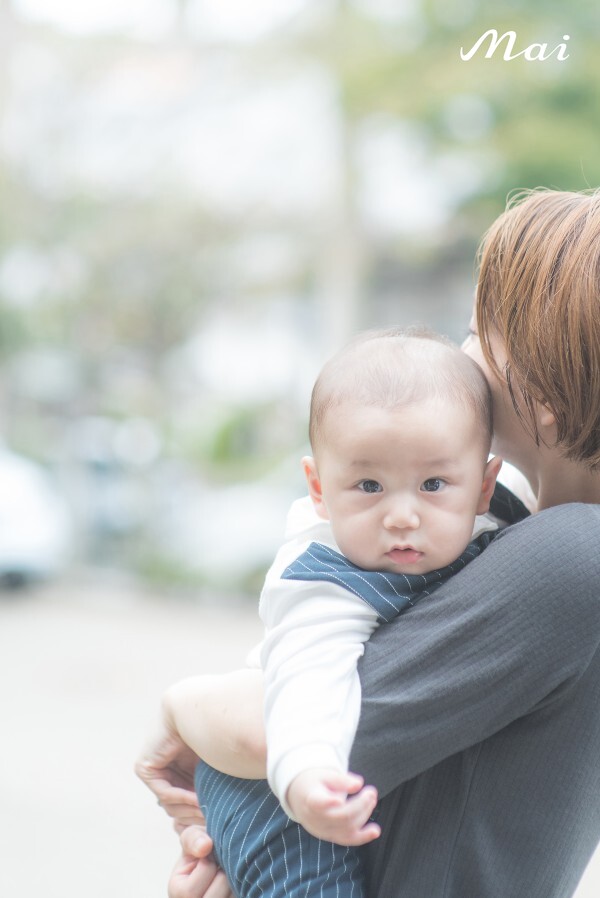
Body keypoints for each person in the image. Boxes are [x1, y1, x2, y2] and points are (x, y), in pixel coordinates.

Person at [137, 188, 600, 898]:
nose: (461, 354)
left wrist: (181, 703)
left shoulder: (573, 554)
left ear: (542, 390)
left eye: (479, 331)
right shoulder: (527, 533)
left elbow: (285, 732)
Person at [150, 329, 502, 898]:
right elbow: (310, 678)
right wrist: (304, 779)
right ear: (318, 487)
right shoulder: (326, 579)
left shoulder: (493, 532)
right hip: (272, 791)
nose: (403, 516)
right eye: (369, 485)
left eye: (433, 484)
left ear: (485, 485)